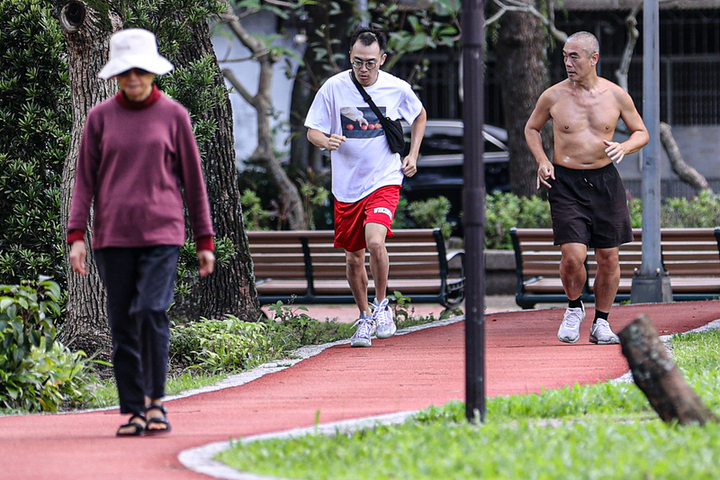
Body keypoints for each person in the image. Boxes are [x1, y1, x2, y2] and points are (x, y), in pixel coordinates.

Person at [67, 28, 216, 436]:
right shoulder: (100, 119)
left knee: (150, 311)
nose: (133, 79)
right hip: (113, 238)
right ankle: (133, 409)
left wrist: (205, 240)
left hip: (162, 235)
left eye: (140, 71)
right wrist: (76, 234)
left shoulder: (174, 116)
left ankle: (155, 402)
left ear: (152, 73)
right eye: (125, 73)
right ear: (116, 76)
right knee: (122, 323)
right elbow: (85, 180)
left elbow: (194, 180)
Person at [304, 27, 427, 347]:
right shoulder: (334, 87)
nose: (364, 69)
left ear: (382, 60)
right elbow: (312, 131)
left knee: (375, 241)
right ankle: (364, 316)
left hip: (384, 178)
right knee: (353, 257)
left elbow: (419, 115)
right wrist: (326, 140)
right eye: (358, 62)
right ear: (350, 58)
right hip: (346, 186)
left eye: (371, 63)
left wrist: (412, 154)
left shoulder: (396, 88)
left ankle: (382, 305)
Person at [524, 31, 649, 345]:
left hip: (605, 182)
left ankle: (601, 322)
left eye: (574, 56)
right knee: (573, 255)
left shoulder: (616, 95)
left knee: (608, 256)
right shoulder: (553, 96)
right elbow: (532, 128)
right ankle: (574, 306)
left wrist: (625, 147)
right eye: (565, 56)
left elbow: (641, 132)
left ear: (594, 58)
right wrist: (541, 160)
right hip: (565, 182)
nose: (567, 63)